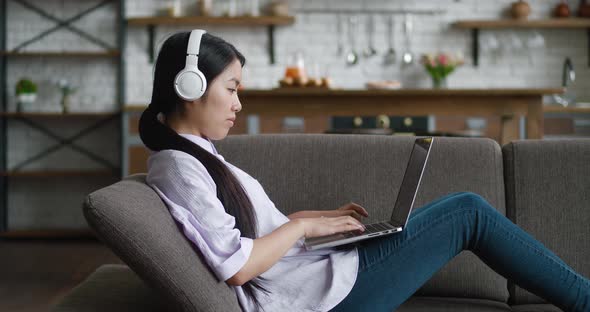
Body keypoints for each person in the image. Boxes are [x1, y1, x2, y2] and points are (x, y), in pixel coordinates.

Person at [139, 30, 590, 312]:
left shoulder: (197, 155)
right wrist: (305, 229)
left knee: (456, 211)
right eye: (232, 88)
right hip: (326, 298)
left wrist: (319, 222)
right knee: (467, 211)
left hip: (322, 275)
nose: (239, 103)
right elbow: (237, 266)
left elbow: (253, 235)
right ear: (190, 86)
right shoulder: (179, 167)